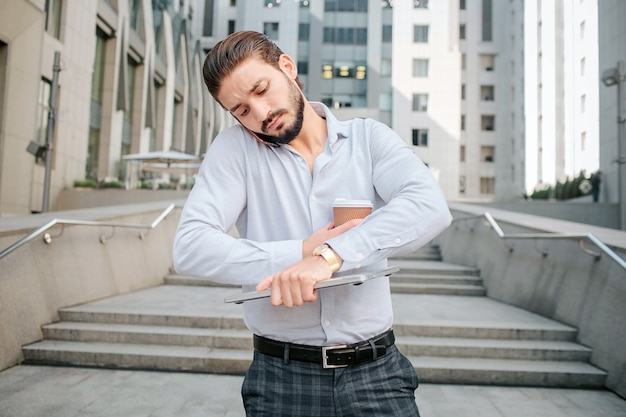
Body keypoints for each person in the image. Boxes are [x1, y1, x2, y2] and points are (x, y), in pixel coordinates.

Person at [173, 31, 452, 417]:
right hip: (281, 379)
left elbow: (429, 205)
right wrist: (299, 252)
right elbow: (190, 247)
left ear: (287, 67)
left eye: (261, 89)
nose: (259, 113)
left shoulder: (367, 139)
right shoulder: (234, 150)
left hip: (377, 375)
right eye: (240, 109)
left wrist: (328, 257)